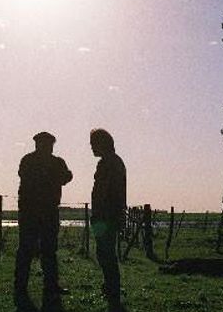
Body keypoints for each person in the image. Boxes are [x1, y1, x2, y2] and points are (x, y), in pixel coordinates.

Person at [14, 131, 73, 312]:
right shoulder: (42, 162)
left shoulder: (34, 161)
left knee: (45, 250)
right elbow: (66, 177)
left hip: (42, 212)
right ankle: (27, 287)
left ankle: (41, 286)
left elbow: (67, 177)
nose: (46, 146)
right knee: (30, 250)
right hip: (35, 212)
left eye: (48, 143)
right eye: (45, 143)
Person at [90, 128, 127, 312]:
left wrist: (97, 215)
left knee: (105, 254)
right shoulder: (115, 161)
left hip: (104, 217)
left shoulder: (107, 163)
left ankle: (112, 291)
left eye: (93, 143)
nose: (91, 147)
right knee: (105, 253)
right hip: (108, 216)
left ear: (101, 143)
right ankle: (111, 288)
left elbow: (103, 192)